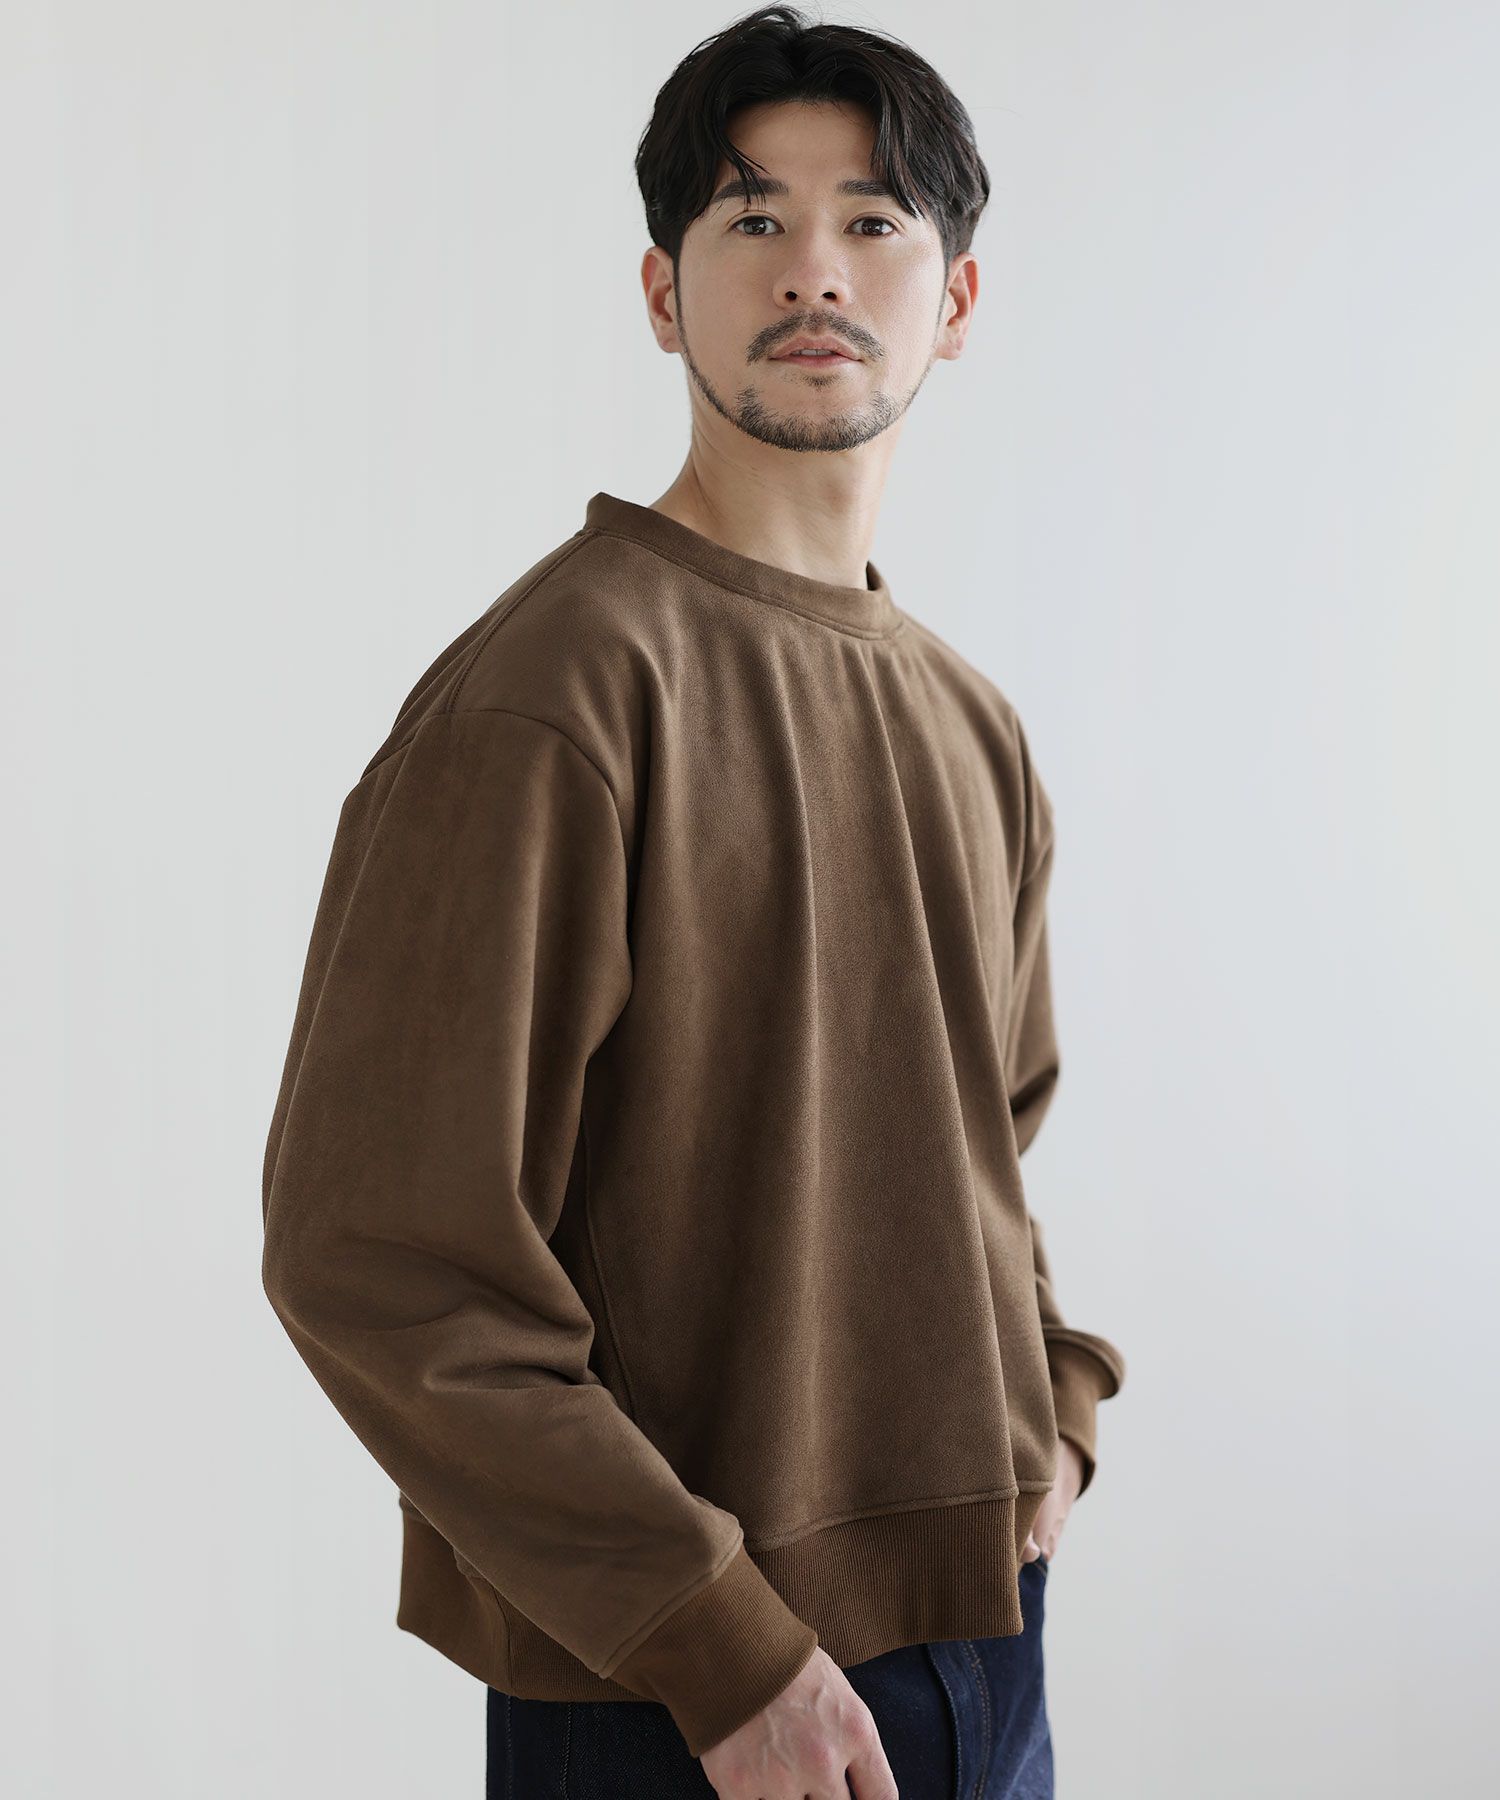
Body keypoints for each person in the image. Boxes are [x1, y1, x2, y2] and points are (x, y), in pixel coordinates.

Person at [260, 6, 1127, 1796]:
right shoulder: (553, 695)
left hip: (989, 1636)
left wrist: (1056, 1399)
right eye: (752, 220)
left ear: (957, 301)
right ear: (664, 293)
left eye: (873, 220)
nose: (814, 268)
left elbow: (987, 1143)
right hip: (687, 1697)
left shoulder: (973, 722)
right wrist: (719, 1650)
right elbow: (380, 1258)